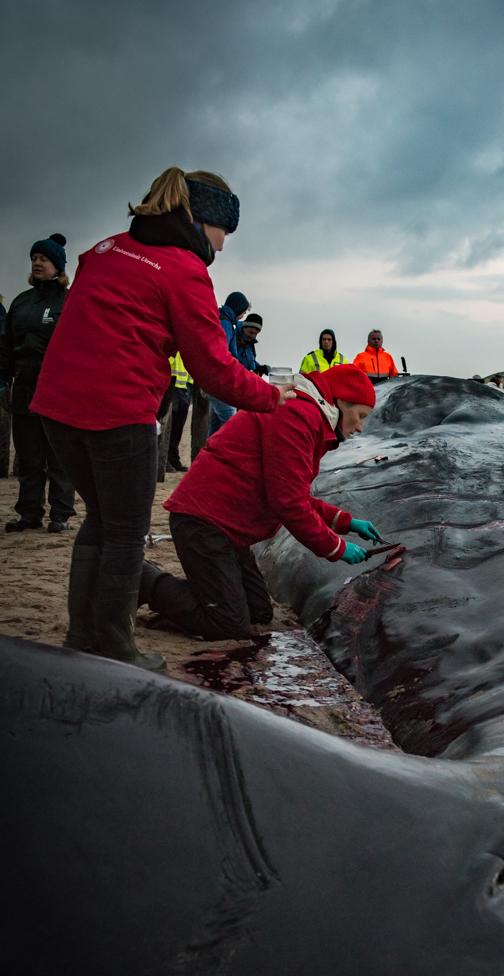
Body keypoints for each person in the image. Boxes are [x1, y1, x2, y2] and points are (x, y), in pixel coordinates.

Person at [30, 166, 292, 671]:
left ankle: (84, 636)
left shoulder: (104, 250)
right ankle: (110, 644)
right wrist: (272, 397)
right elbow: (213, 369)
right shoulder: (183, 269)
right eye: (224, 232)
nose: (223, 245)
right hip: (117, 412)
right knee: (125, 531)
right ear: (201, 219)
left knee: (101, 522)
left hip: (55, 407)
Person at [138, 365, 382, 640]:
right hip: (205, 521)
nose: (360, 426)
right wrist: (335, 547)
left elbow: (290, 492)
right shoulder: (298, 416)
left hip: (230, 528)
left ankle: (205, 596)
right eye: (360, 415)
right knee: (228, 624)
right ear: (340, 402)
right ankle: (143, 581)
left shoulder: (308, 416)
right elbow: (288, 502)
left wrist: (346, 523)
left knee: (259, 612)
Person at [1, 234, 76, 534]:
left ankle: (61, 514)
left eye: (43, 259)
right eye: (34, 258)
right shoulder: (21, 302)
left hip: (59, 390)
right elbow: (6, 345)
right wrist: (4, 379)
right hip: (25, 388)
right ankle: (30, 513)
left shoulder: (69, 301)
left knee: (58, 456)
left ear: (57, 265)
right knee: (29, 456)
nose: (37, 263)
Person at [207, 291, 252, 435]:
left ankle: (209, 454)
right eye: (243, 312)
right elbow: (222, 352)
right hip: (221, 380)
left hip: (216, 380)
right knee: (231, 423)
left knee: (215, 425)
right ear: (238, 308)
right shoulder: (225, 323)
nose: (242, 316)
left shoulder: (223, 319)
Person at [166, 352, 191, 472]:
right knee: (170, 425)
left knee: (178, 427)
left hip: (184, 385)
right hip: (172, 383)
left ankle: (173, 459)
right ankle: (166, 460)